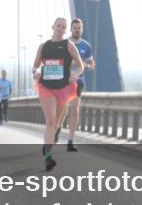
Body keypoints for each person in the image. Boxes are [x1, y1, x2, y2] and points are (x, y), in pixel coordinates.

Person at [32, 18, 83, 171]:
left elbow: (80, 66)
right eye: (58, 26)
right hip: (46, 87)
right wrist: (35, 73)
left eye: (63, 27)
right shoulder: (43, 46)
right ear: (52, 27)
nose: (60, 29)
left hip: (63, 88)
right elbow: (35, 66)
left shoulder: (69, 45)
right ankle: (48, 157)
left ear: (65, 30)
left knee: (56, 124)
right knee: (50, 120)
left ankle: (52, 138)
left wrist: (75, 75)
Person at [66, 18, 95, 151]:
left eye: (79, 28)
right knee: (63, 109)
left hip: (78, 81)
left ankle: (70, 140)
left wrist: (86, 65)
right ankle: (56, 130)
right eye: (75, 28)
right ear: (71, 29)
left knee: (75, 110)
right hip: (63, 81)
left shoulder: (86, 46)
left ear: (81, 29)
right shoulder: (64, 43)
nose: (77, 30)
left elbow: (92, 64)